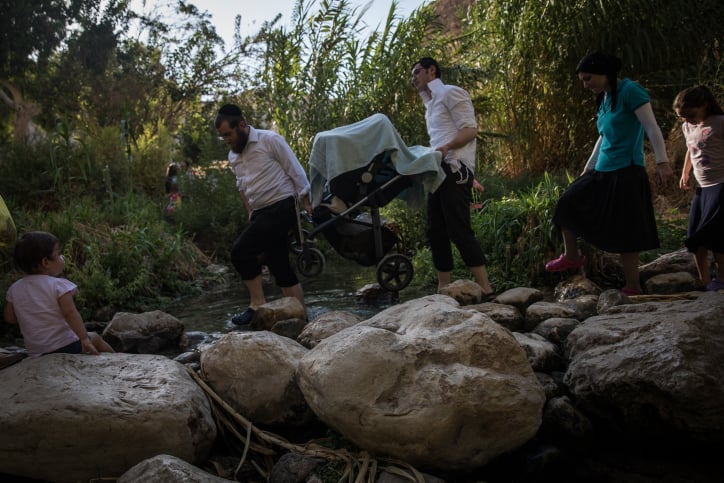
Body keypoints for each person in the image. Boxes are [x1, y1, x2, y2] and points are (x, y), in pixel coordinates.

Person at [545, 51, 674, 295]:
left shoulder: (630, 90)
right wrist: (589, 166)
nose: (586, 84)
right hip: (603, 168)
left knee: (627, 229)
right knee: (567, 202)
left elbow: (651, 127)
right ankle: (571, 255)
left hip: (626, 169)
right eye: (583, 80)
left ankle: (633, 285)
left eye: (588, 78)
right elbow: (603, 136)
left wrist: (662, 162)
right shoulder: (604, 98)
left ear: (604, 73)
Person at [215, 104, 313, 325]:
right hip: (261, 212)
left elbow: (294, 168)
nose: (226, 140)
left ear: (241, 125)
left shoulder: (270, 140)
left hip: (282, 206)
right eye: (222, 137)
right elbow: (241, 184)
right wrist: (250, 210)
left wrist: (306, 200)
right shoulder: (233, 155)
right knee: (278, 264)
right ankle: (302, 317)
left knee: (240, 252)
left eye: (228, 134)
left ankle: (256, 303)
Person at [411, 57, 494, 296]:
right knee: (434, 230)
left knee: (459, 228)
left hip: (456, 168)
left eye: (417, 72)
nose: (413, 78)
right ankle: (443, 289)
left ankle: (486, 289)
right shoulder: (429, 104)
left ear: (431, 70)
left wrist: (447, 147)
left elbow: (470, 130)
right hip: (438, 170)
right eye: (412, 75)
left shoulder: (450, 92)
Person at [3, 231, 115, 357]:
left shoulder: (15, 288)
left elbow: (10, 318)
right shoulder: (57, 285)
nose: (63, 257)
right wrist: (84, 338)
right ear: (46, 262)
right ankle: (119, 360)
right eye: (59, 254)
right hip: (65, 346)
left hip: (36, 352)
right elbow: (70, 313)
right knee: (94, 337)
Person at [673, 85, 724, 291]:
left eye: (690, 115)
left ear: (704, 105)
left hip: (720, 185)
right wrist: (685, 172)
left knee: (717, 234)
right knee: (694, 237)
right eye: (682, 117)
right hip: (702, 188)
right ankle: (704, 280)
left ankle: (721, 278)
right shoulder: (688, 127)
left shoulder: (719, 123)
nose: (686, 120)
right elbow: (690, 149)